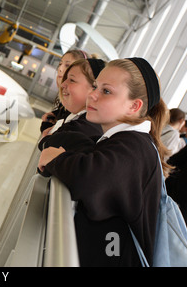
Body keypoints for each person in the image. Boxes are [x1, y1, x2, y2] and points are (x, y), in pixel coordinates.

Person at [38, 58, 170, 266]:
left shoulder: (135, 148)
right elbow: (87, 150)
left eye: (106, 91)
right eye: (96, 87)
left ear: (134, 106)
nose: (93, 95)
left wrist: (58, 159)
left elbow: (91, 179)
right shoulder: (122, 141)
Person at [40, 49, 89, 133]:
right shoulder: (63, 103)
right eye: (60, 64)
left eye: (67, 65)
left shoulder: (78, 107)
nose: (60, 69)